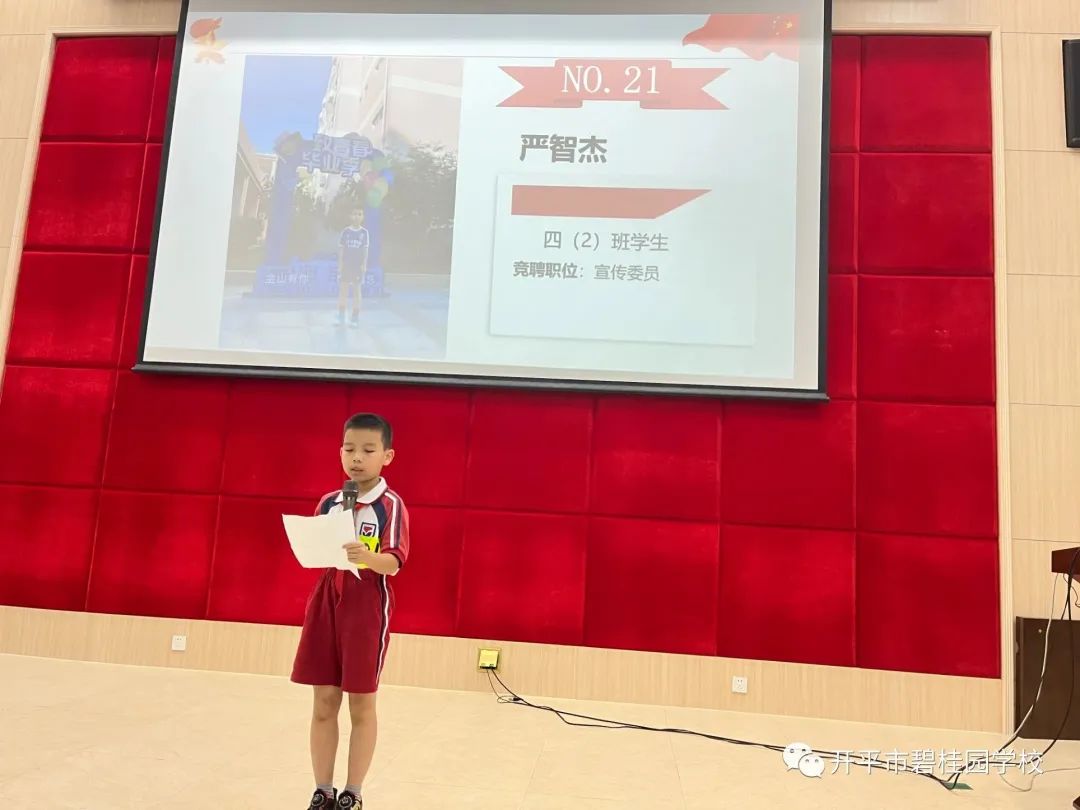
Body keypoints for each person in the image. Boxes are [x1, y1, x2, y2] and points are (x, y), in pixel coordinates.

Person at [291, 412, 410, 809]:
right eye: (349, 449)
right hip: (326, 599)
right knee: (324, 700)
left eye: (368, 450)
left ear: (387, 456)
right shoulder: (329, 502)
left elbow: (394, 562)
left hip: (366, 604)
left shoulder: (390, 505)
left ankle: (352, 793)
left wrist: (367, 557)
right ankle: (322, 790)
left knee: (361, 702)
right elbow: (318, 549)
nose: (356, 458)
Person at [337, 208, 370, 326]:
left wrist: (364, 264)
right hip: (346, 265)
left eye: (359, 214)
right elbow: (341, 249)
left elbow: (365, 250)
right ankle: (341, 317)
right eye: (355, 214)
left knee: (357, 291)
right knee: (343, 290)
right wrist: (340, 264)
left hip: (357, 266)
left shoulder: (364, 233)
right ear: (350, 216)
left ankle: (355, 318)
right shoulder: (345, 232)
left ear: (363, 217)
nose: (357, 216)